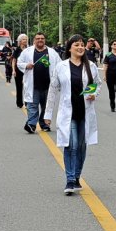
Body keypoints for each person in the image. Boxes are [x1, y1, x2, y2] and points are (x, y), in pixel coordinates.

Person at [44, 34, 101, 194]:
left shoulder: (90, 66)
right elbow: (53, 89)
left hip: (85, 112)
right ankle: (69, 180)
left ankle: (76, 176)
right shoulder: (61, 67)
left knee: (82, 146)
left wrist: (93, 93)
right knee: (71, 145)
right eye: (77, 45)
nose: (80, 47)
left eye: (82, 44)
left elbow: (97, 84)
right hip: (68, 113)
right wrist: (47, 114)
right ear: (70, 48)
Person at [16, 32, 61, 133]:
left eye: (42, 38)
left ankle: (44, 124)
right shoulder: (27, 52)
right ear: (34, 40)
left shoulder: (52, 52)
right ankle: (31, 124)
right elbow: (19, 62)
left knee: (46, 106)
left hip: (48, 86)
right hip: (34, 85)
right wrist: (26, 65)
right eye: (38, 38)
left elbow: (60, 65)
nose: (40, 40)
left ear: (44, 40)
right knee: (32, 106)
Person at [12, 34, 27, 108]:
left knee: (27, 87)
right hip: (18, 71)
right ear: (20, 41)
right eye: (24, 39)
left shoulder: (28, 49)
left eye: (26, 39)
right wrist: (13, 70)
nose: (25, 41)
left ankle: (27, 103)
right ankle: (19, 103)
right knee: (19, 87)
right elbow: (14, 61)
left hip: (26, 71)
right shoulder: (17, 50)